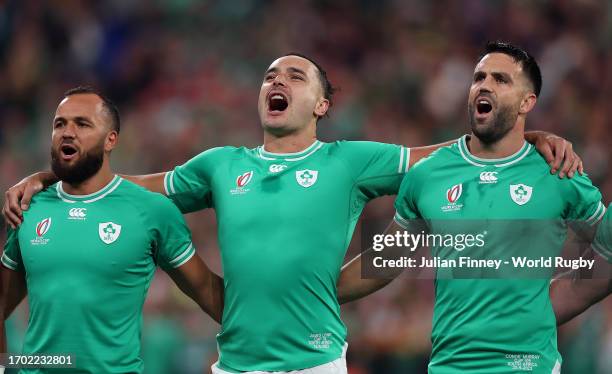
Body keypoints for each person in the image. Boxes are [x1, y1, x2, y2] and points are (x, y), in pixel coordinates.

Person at [2, 54, 582, 373]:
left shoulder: (351, 161)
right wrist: (56, 176)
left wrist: (528, 140)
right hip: (235, 365)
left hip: (316, 362)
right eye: (268, 76)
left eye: (294, 76)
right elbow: (132, 187)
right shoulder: (219, 165)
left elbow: (453, 156)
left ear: (322, 105)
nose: (276, 81)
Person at [337, 42, 606, 373]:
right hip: (449, 366)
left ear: (527, 102)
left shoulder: (557, 171)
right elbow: (386, 259)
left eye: (501, 79)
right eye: (479, 77)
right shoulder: (428, 174)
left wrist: (554, 303)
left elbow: (606, 247)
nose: (485, 85)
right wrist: (315, 291)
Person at [0, 87, 223, 373]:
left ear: (111, 140)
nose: (67, 132)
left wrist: (273, 332)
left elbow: (207, 290)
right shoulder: (28, 207)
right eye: (60, 124)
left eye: (82, 124)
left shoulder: (152, 210)